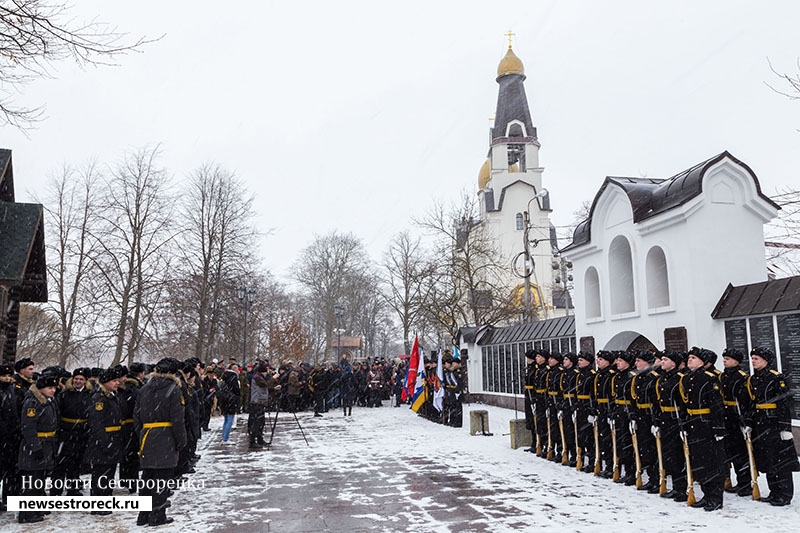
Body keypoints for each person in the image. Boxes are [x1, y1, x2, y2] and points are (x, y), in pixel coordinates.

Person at [744, 346, 800, 506]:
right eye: (752, 358)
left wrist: (785, 428)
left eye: (756, 358)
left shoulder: (777, 378)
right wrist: (748, 423)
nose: (753, 361)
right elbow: (750, 404)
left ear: (766, 360)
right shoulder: (752, 380)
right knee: (767, 459)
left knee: (780, 460)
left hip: (774, 423)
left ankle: (784, 493)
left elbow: (784, 404)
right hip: (760, 423)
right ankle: (773, 491)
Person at [134, 357, 186, 527]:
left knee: (147, 477)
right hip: (166, 436)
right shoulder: (173, 390)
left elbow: (137, 416)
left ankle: (144, 514)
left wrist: (142, 434)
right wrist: (181, 440)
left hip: (147, 435)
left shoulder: (144, 389)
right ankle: (157, 515)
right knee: (162, 479)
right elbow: (178, 419)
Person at [681, 347, 725, 511]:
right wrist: (684, 425)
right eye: (689, 358)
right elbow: (685, 405)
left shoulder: (710, 379)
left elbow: (717, 405)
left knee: (712, 462)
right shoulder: (687, 379)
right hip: (694, 424)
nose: (689, 360)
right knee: (699, 462)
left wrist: (718, 428)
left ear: (702, 362)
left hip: (706, 424)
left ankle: (715, 497)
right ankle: (706, 495)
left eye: (693, 357)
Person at [17, 373, 59, 524]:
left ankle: (36, 508)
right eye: (50, 387)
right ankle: (26, 514)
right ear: (41, 388)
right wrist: (35, 447)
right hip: (35, 446)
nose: (53, 390)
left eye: (54, 387)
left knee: (39, 481)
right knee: (31, 482)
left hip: (47, 444)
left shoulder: (49, 401)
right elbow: (28, 427)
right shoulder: (32, 402)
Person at [85, 367, 124, 515]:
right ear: (106, 382)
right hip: (103, 441)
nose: (117, 383)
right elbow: (96, 423)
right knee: (101, 474)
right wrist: (105, 442)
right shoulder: (99, 398)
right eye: (114, 381)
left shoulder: (112, 395)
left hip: (113, 439)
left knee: (108, 473)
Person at [51, 367, 92, 496]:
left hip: (81, 433)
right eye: (76, 379)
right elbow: (57, 414)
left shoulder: (90, 394)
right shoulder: (64, 394)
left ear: (85, 381)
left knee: (76, 463)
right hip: (66, 432)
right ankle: (56, 490)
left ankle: (73, 489)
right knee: (61, 463)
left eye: (81, 379)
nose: (78, 381)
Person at [654, 350, 689, 502]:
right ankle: (676, 486)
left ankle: (681, 489)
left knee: (678, 455)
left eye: (665, 359)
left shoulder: (680, 379)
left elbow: (684, 403)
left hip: (676, 420)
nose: (662, 362)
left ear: (673, 363)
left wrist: (684, 424)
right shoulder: (663, 378)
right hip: (665, 419)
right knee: (669, 454)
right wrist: (656, 421)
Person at [719, 348, 752, 496]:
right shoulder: (722, 376)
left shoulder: (742, 377)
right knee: (729, 451)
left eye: (728, 358)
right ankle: (736, 481)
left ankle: (745, 483)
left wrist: (746, 420)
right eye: (724, 358)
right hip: (726, 417)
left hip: (737, 417)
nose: (725, 360)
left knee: (741, 453)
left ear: (736, 361)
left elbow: (746, 400)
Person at [593, 350, 616, 478]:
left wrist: (610, 412)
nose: (598, 361)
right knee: (603, 439)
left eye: (601, 359)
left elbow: (612, 395)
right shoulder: (599, 375)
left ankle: (612, 466)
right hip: (601, 409)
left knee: (609, 440)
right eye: (598, 359)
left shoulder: (610, 375)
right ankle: (606, 464)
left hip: (608, 410)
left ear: (607, 361)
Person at [0, 364, 19, 513]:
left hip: (11, 436)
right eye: (4, 376)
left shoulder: (11, 389)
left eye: (9, 376)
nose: (7, 378)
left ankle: (8, 497)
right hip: (1, 435)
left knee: (10, 470)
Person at [574, 351, 596, 472]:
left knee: (589, 437)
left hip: (587, 407)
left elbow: (593, 394)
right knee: (581, 436)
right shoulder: (580, 375)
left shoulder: (592, 375)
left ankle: (592, 462)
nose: (579, 362)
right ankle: (581, 459)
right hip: (580, 407)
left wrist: (592, 412)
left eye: (581, 360)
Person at [218, 364, 240, 443]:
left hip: (224, 401)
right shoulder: (233, 377)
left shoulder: (225, 376)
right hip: (231, 401)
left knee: (226, 419)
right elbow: (236, 390)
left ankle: (224, 436)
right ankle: (225, 438)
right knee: (230, 420)